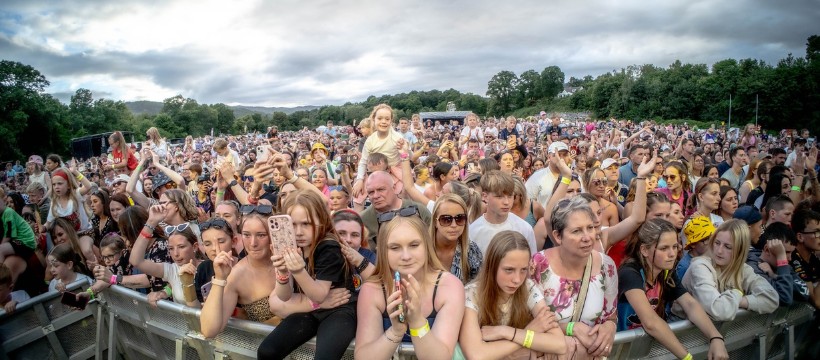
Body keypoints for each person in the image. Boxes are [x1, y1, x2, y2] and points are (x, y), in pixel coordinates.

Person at [260, 190, 357, 359]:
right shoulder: (290, 245)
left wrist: (298, 270)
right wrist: (283, 273)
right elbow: (284, 296)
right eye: (293, 224)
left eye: (306, 224)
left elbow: (319, 294)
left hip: (339, 310)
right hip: (310, 312)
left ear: (322, 220)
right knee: (267, 351)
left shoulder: (329, 247)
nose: (298, 232)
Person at [354, 215, 464, 359]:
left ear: (427, 246)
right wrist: (395, 332)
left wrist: (417, 321)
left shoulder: (449, 286)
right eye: (395, 247)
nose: (406, 256)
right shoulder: (373, 289)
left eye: (414, 245)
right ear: (383, 251)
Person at [617, 219, 728, 360]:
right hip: (619, 349)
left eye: (675, 246)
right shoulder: (630, 272)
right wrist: (687, 357)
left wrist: (716, 337)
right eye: (664, 248)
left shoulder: (666, 273)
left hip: (642, 348)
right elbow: (650, 322)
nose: (672, 254)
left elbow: (690, 304)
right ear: (644, 250)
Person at [531, 196, 618, 359]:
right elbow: (527, 324)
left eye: (590, 228)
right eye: (577, 231)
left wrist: (610, 327)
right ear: (558, 236)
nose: (587, 237)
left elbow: (611, 316)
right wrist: (571, 328)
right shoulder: (538, 265)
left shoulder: (607, 266)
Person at [458, 231, 567, 359]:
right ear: (492, 266)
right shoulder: (471, 294)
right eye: (509, 270)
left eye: (523, 270)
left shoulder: (528, 288)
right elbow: (477, 355)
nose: (517, 279)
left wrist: (507, 332)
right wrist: (529, 331)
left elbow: (559, 344)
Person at [199, 211, 279, 338]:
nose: (253, 243)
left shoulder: (292, 257)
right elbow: (209, 330)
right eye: (247, 235)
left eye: (261, 235)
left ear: (273, 235)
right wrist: (219, 279)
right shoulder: (237, 275)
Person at [681, 220, 778, 321]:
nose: (719, 250)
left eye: (728, 247)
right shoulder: (700, 266)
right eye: (717, 243)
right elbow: (719, 311)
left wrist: (740, 301)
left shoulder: (743, 269)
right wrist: (737, 293)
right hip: (685, 333)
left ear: (740, 250)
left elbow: (772, 298)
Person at [130, 204, 203, 307]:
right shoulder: (172, 270)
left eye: (181, 247)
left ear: (195, 247)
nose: (176, 254)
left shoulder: (208, 268)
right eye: (171, 249)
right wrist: (151, 222)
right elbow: (136, 261)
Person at [469, 170, 537, 256]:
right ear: (485, 196)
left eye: (510, 196)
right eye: (499, 196)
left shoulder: (524, 228)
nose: (506, 202)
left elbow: (532, 262)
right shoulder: (473, 232)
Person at [746, 222, 809, 306]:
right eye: (785, 252)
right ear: (767, 250)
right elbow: (785, 298)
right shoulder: (753, 268)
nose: (789, 258)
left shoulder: (783, 267)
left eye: (791, 253)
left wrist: (774, 275)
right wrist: (781, 258)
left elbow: (805, 293)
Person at [429, 194, 482, 284]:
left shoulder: (471, 251)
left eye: (460, 219)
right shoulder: (421, 249)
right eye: (446, 220)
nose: (454, 225)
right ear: (435, 221)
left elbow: (475, 288)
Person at [0, 187, 38, 281]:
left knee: (1, 249)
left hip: (25, 242)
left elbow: (10, 233)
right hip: (20, 241)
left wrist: (1, 245)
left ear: (3, 199)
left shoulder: (8, 212)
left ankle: (0, 272)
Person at [789, 209, 820, 308]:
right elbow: (817, 302)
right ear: (800, 237)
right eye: (817, 232)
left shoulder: (813, 257)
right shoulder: (793, 259)